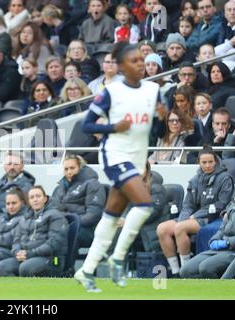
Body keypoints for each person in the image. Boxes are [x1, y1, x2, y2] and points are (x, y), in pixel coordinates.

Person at [76, 43, 166, 292]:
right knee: (145, 204)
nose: (140, 63)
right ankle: (117, 259)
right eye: (135, 60)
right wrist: (113, 127)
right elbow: (87, 125)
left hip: (138, 157)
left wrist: (160, 118)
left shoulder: (153, 90)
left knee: (112, 214)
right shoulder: (111, 91)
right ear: (122, 66)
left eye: (142, 59)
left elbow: (156, 133)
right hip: (114, 154)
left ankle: (86, 270)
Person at [157, 146, 233, 277]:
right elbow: (187, 204)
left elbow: (221, 204)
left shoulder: (225, 178)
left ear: (216, 161)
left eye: (210, 162)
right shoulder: (195, 179)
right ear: (199, 162)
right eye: (204, 162)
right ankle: (175, 271)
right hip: (193, 217)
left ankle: (185, 272)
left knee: (180, 228)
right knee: (162, 229)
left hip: (211, 217)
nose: (208, 165)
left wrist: (195, 216)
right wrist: (184, 218)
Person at [0, 185, 68, 277]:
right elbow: (16, 240)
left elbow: (53, 244)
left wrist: (30, 253)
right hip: (28, 256)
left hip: (52, 259)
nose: (35, 199)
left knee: (25, 268)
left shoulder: (55, 216)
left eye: (38, 196)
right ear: (29, 201)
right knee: (3, 266)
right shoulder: (25, 218)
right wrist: (17, 252)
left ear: (45, 199)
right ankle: (15, 290)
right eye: (32, 197)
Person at [49, 154, 106, 248]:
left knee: (65, 234)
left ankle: (66, 263)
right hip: (63, 226)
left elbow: (93, 216)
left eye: (72, 168)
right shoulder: (58, 188)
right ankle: (50, 262)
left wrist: (70, 222)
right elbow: (52, 211)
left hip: (88, 229)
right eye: (66, 169)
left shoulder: (92, 184)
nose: (69, 172)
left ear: (80, 168)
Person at [180, 200, 235, 279]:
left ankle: (219, 290)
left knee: (206, 268)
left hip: (233, 250)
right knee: (186, 270)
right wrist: (215, 239)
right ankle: (203, 291)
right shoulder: (233, 204)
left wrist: (228, 242)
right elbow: (222, 228)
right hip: (222, 249)